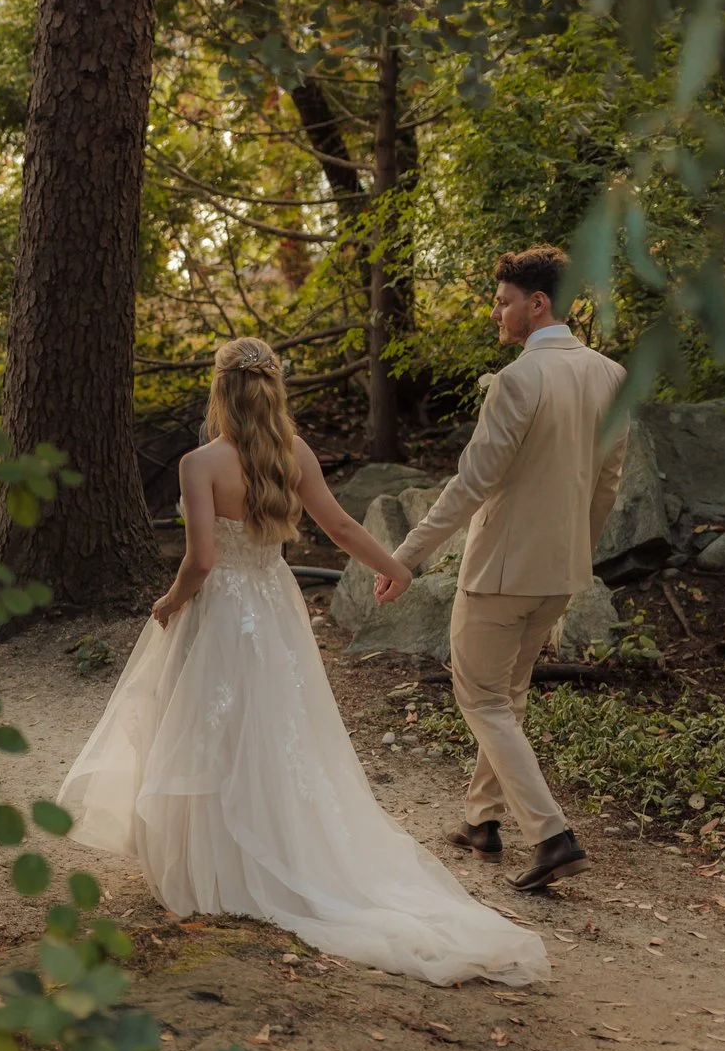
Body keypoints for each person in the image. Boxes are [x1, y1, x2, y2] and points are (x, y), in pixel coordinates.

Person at [52, 337, 550, 988]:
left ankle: (217, 864)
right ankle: (273, 847)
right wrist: (395, 566)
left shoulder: (200, 463)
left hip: (220, 609)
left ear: (221, 391)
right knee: (277, 730)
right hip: (272, 603)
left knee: (204, 726)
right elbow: (340, 527)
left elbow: (201, 562)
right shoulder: (296, 453)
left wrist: (168, 602)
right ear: (273, 390)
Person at [377, 245, 627, 892]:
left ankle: (551, 835)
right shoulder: (611, 376)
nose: (497, 311)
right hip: (562, 570)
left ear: (536, 304)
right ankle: (482, 820)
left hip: (500, 571)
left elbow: (470, 485)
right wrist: (578, 551)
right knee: (507, 697)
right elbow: (608, 484)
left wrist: (403, 557)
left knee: (482, 696)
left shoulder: (520, 380)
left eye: (504, 300)